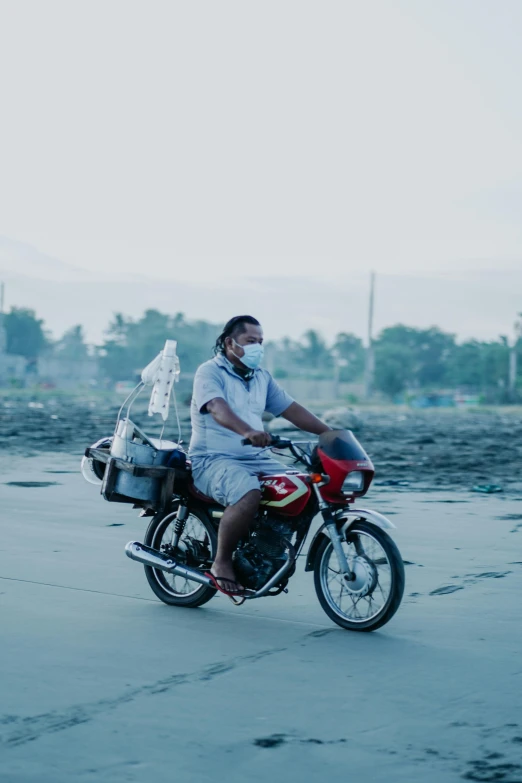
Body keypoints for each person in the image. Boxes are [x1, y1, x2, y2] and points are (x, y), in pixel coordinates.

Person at [189, 315, 331, 596]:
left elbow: (291, 409)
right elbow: (217, 408)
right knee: (248, 492)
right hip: (212, 459)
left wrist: (330, 434)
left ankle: (267, 547)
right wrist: (247, 431)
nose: (257, 347)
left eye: (260, 342)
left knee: (307, 485)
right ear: (230, 343)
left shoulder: (261, 378)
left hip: (256, 458)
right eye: (250, 341)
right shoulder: (210, 372)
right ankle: (222, 562)